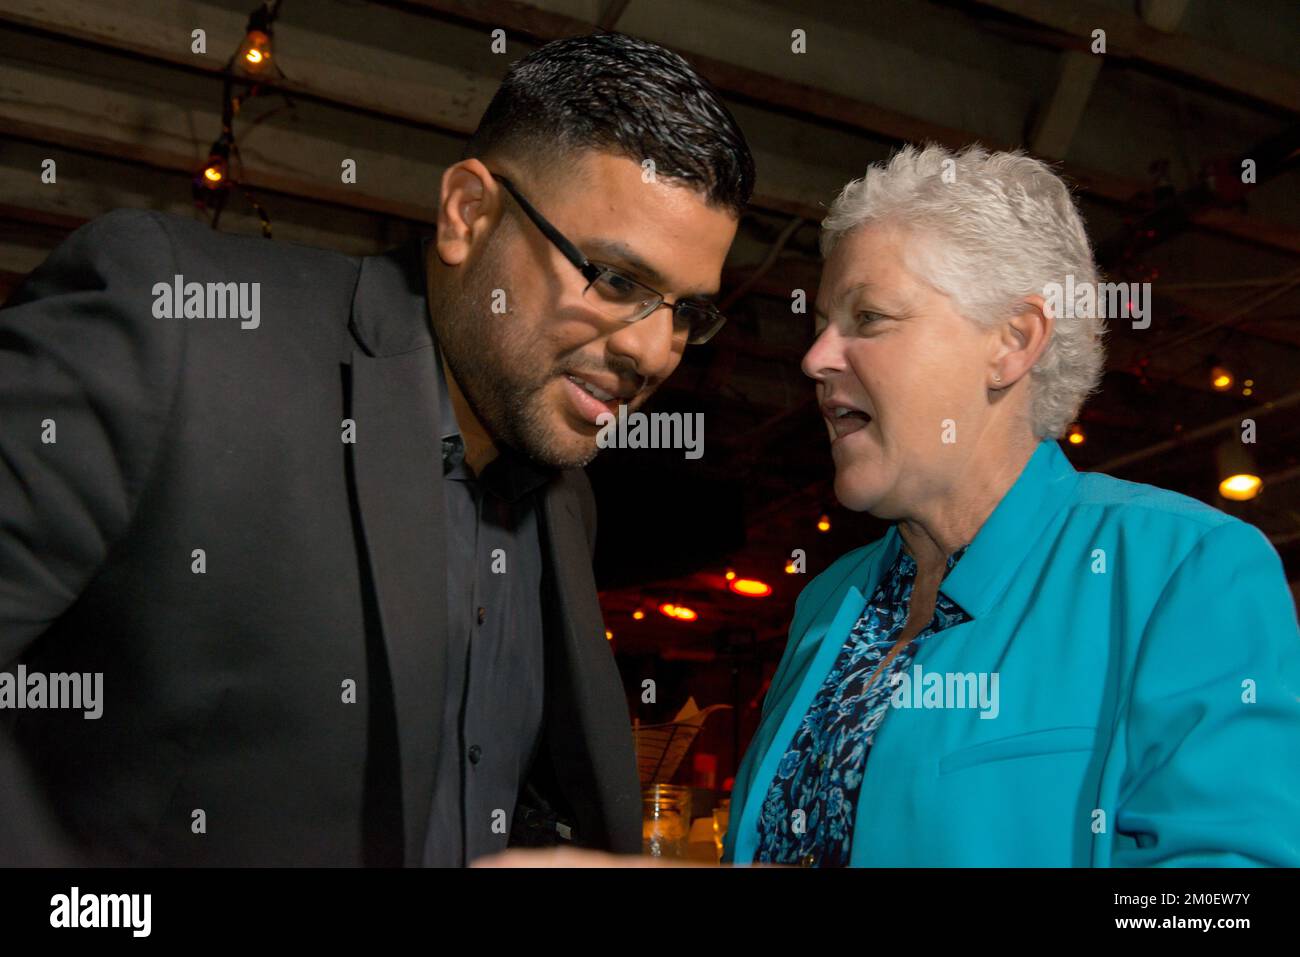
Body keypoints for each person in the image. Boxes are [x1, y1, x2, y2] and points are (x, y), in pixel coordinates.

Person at [0, 32, 754, 866]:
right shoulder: (176, 324)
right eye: (616, 279)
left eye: (687, 311)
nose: (655, 353)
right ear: (469, 214)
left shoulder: (566, 502)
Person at [722, 144, 1300, 867]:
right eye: (821, 324)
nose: (814, 358)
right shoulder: (827, 601)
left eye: (867, 317)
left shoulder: (1182, 571)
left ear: (1013, 341)